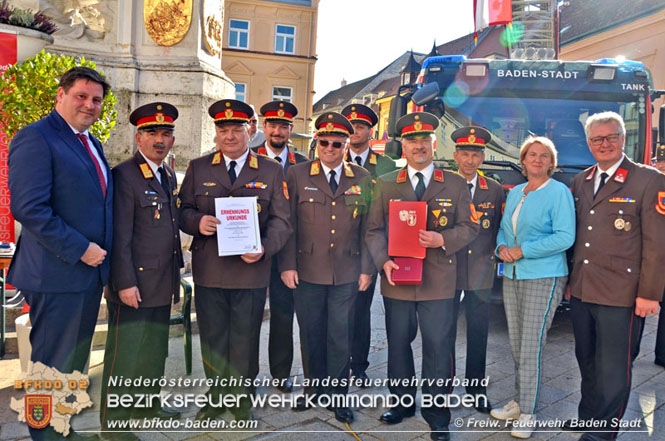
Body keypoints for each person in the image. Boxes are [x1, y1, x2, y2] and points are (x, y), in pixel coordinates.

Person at [8, 66, 112, 441]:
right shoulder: (36, 137)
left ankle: (59, 429)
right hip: (56, 274)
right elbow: (29, 208)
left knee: (71, 366)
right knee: (49, 367)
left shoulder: (91, 142)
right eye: (81, 96)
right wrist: (81, 249)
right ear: (60, 95)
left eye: (96, 99)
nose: (89, 104)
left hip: (85, 276)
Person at [365, 112, 479, 441]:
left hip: (439, 281)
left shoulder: (455, 184)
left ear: (433, 143)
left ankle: (437, 412)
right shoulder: (387, 183)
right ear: (403, 145)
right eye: (412, 141)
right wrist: (383, 261)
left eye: (424, 140)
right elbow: (373, 231)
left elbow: (470, 226)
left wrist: (443, 239)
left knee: (438, 346)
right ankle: (402, 404)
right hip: (397, 278)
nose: (419, 146)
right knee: (399, 344)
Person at [178, 99, 291, 421]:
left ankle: (242, 397)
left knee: (245, 335)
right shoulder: (199, 167)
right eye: (223, 130)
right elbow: (182, 210)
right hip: (210, 270)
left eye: (236, 130)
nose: (229, 136)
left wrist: (265, 248)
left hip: (250, 269)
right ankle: (215, 396)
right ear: (216, 132)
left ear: (250, 130)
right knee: (213, 336)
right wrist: (196, 222)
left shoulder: (270, 170)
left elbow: (282, 221)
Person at [565, 112, 665, 441]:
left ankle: (603, 433)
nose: (604, 144)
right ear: (589, 143)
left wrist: (650, 294)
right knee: (587, 360)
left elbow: (657, 242)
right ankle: (588, 417)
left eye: (611, 137)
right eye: (597, 139)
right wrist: (569, 282)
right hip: (582, 290)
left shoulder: (648, 180)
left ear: (623, 139)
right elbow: (579, 236)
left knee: (613, 368)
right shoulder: (581, 180)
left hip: (622, 294)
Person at [279, 111, 373, 423]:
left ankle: (338, 396)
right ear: (316, 142)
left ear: (347, 145)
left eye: (337, 143)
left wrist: (367, 269)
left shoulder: (362, 178)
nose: (330, 148)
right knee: (310, 331)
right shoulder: (297, 174)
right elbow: (287, 223)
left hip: (347, 271)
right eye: (324, 142)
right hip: (306, 269)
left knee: (340, 334)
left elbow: (369, 228)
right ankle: (314, 389)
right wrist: (287, 265)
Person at [99, 103, 183, 439]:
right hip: (133, 285)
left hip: (161, 283)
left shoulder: (167, 173)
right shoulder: (124, 175)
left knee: (153, 350)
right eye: (152, 133)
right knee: (125, 356)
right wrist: (124, 283)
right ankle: (114, 426)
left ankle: (147, 404)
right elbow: (119, 235)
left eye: (165, 134)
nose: (159, 140)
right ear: (138, 137)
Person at [491, 136, 575, 438]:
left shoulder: (559, 192)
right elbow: (503, 227)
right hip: (513, 275)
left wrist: (523, 250)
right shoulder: (516, 193)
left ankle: (527, 413)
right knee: (516, 344)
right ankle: (518, 400)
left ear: (551, 163)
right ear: (523, 161)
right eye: (532, 155)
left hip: (544, 275)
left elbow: (565, 237)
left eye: (544, 156)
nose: (537, 160)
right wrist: (502, 245)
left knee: (531, 346)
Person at [253, 100, 308, 393]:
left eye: (283, 126)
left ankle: (280, 373)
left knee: (284, 314)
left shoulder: (302, 163)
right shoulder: (250, 158)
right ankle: (246, 375)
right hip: (254, 249)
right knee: (249, 316)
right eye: (272, 124)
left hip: (288, 251)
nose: (277, 130)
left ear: (291, 130)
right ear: (264, 127)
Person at [340, 103, 396, 384]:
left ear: (370, 131)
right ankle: (337, 361)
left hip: (369, 246)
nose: (354, 133)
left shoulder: (384, 165)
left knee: (361, 308)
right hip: (338, 245)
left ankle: (359, 363)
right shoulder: (333, 155)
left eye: (359, 127)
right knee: (338, 307)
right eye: (350, 128)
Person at [451, 126, 505, 414]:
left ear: (482, 157)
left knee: (478, 331)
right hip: (446, 270)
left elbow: (498, 230)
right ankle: (443, 387)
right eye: (464, 154)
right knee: (444, 330)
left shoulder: (494, 190)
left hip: (480, 271)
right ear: (455, 155)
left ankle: (476, 389)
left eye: (475, 155)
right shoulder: (443, 184)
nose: (469, 161)